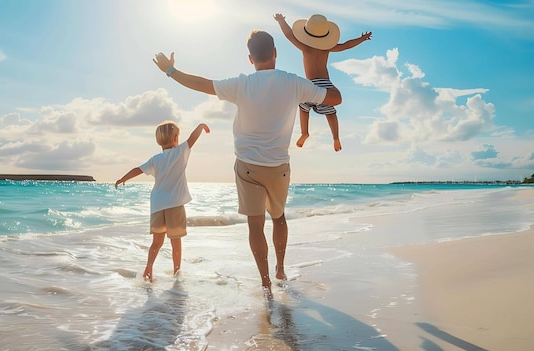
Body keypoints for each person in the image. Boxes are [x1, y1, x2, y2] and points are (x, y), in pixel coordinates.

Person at [153, 29, 342, 297]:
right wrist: (322, 80)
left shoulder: (241, 84)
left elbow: (203, 84)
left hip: (247, 166)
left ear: (251, 59)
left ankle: (265, 284)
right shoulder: (294, 83)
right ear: (275, 54)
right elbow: (336, 99)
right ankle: (280, 269)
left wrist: (171, 71)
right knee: (278, 218)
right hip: (279, 167)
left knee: (255, 225)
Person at [115, 121, 210, 283]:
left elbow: (138, 169)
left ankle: (148, 269)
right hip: (174, 204)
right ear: (175, 137)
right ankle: (177, 273)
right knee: (176, 241)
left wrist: (123, 178)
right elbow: (192, 139)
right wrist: (200, 126)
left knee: (157, 242)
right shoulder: (180, 152)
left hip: (157, 205)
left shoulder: (155, 159)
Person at [274, 13, 372, 150]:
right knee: (330, 112)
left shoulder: (305, 47)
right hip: (325, 84)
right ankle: (336, 137)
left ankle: (304, 132)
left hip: (310, 85)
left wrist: (281, 21)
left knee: (303, 107)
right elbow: (346, 46)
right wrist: (361, 39)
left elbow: (289, 35)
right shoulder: (327, 48)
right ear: (325, 36)